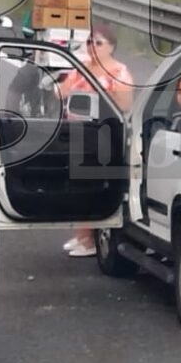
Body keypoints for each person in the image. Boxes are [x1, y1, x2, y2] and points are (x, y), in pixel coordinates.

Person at [58, 25, 134, 258]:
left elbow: (124, 105)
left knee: (89, 184)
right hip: (77, 132)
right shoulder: (81, 68)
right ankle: (82, 234)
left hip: (102, 133)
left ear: (111, 47)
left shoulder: (119, 72)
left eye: (98, 42)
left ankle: (89, 239)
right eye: (90, 42)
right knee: (75, 185)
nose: (92, 47)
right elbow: (60, 92)